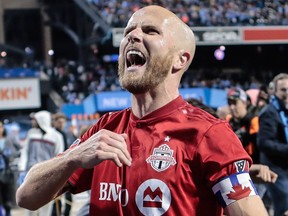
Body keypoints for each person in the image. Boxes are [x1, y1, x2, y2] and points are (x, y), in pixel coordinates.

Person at [16, 5, 268, 215]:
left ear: (181, 59)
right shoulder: (104, 129)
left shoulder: (209, 134)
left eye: (150, 30)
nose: (132, 36)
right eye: (129, 31)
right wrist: (73, 157)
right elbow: (26, 197)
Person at [18, 111, 64, 216]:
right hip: (30, 174)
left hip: (47, 176)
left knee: (46, 208)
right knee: (29, 206)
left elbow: (59, 157)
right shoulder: (31, 133)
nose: (33, 121)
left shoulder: (56, 136)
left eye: (35, 119)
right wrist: (22, 168)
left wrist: (57, 178)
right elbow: (25, 151)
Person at [257, 73, 288, 216]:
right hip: (275, 170)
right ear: (274, 91)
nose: (287, 93)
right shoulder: (269, 112)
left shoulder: (285, 111)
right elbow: (263, 143)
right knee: (284, 207)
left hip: (284, 167)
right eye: (283, 90)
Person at [51, 113, 73, 216]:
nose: (61, 124)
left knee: (69, 195)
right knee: (56, 195)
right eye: (59, 122)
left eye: (63, 122)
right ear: (54, 123)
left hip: (67, 168)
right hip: (56, 167)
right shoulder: (52, 135)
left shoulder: (66, 134)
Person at [0, 120, 19, 216]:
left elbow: (19, 150)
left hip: (7, 172)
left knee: (7, 197)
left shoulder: (9, 139)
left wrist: (12, 157)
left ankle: (8, 213)